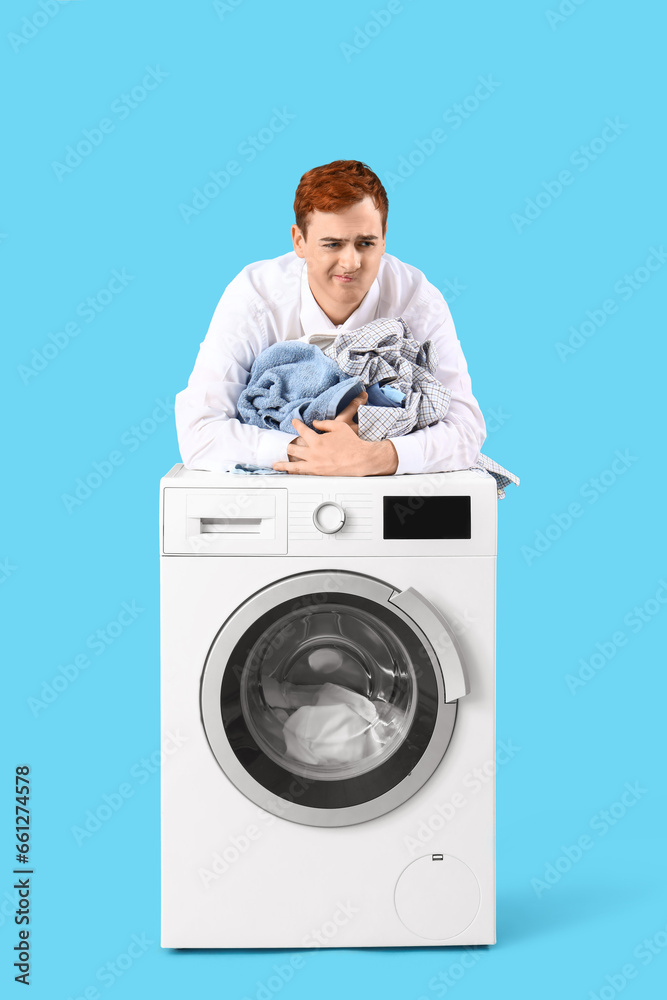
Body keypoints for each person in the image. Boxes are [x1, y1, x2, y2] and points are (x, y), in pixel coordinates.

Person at [175, 160, 486, 477]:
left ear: (384, 237)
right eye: (333, 244)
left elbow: (466, 428)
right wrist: (311, 452)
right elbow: (198, 430)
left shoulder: (417, 298)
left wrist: (374, 457)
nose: (350, 262)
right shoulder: (255, 296)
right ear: (299, 241)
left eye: (366, 243)